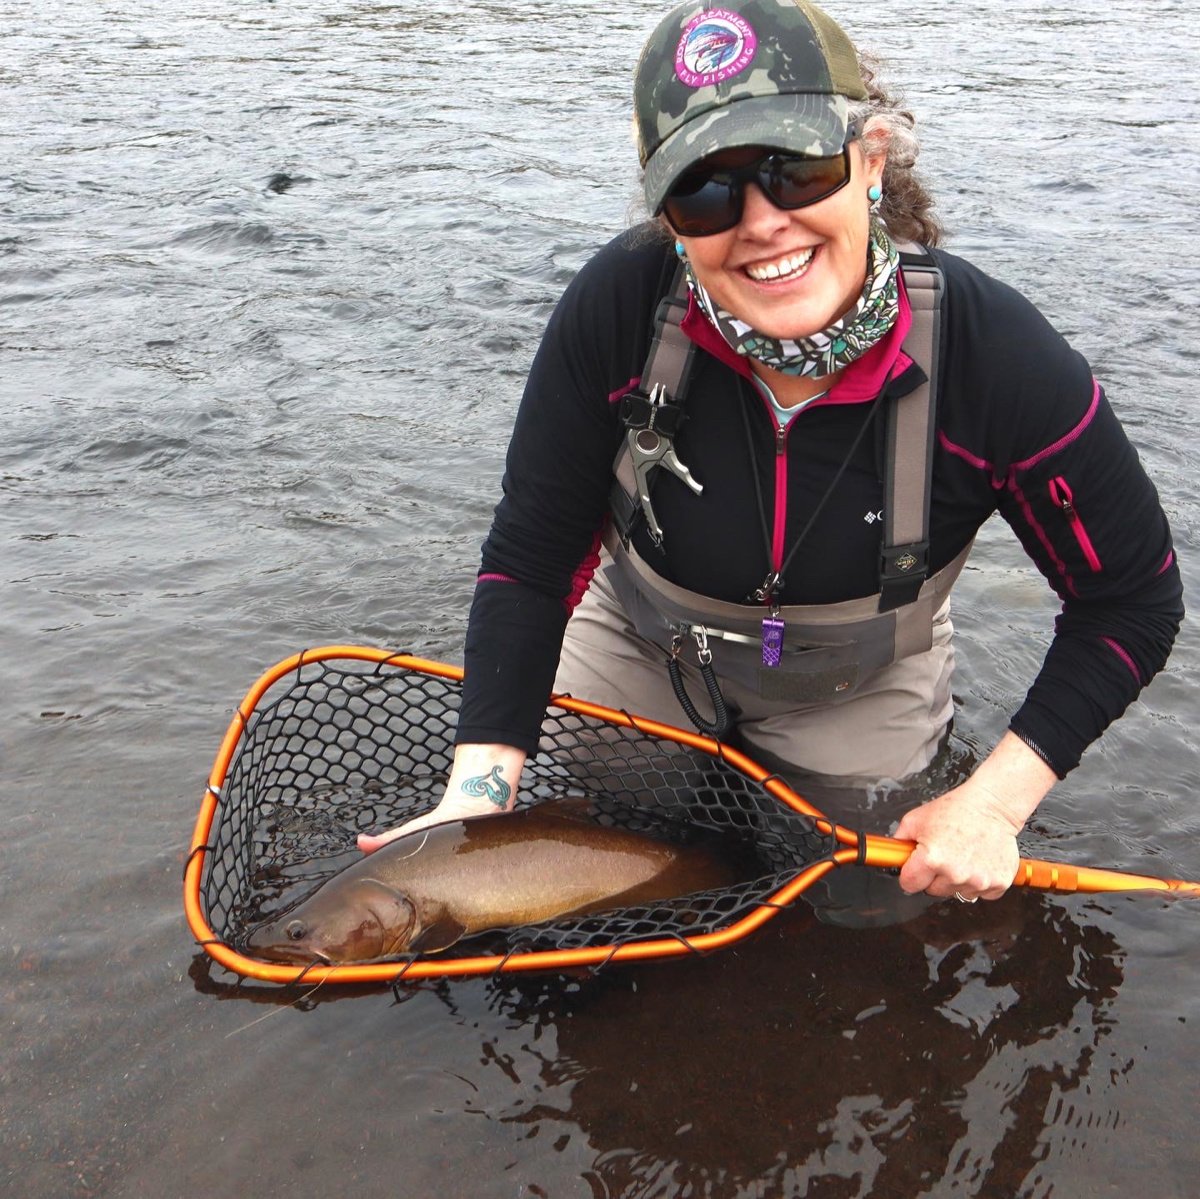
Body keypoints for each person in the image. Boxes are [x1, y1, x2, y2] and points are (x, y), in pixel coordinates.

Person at [359, 0, 1182, 911]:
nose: (759, 222)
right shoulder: (618, 308)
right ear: (670, 220)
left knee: (871, 909)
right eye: (704, 192)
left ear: (871, 162)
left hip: (859, 683)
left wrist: (993, 802)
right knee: (607, 849)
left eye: (796, 171)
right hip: (644, 644)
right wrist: (476, 798)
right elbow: (532, 556)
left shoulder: (997, 358)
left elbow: (1130, 598)